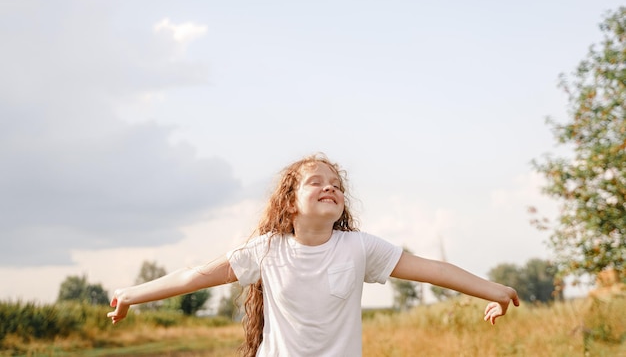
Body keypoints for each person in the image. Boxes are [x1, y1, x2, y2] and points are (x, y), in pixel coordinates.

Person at [108, 153, 519, 356]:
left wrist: (493, 291)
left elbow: (434, 270)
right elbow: (194, 276)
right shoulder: (265, 250)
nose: (330, 188)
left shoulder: (360, 247)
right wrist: (130, 294)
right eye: (316, 182)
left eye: (336, 184)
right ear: (289, 203)